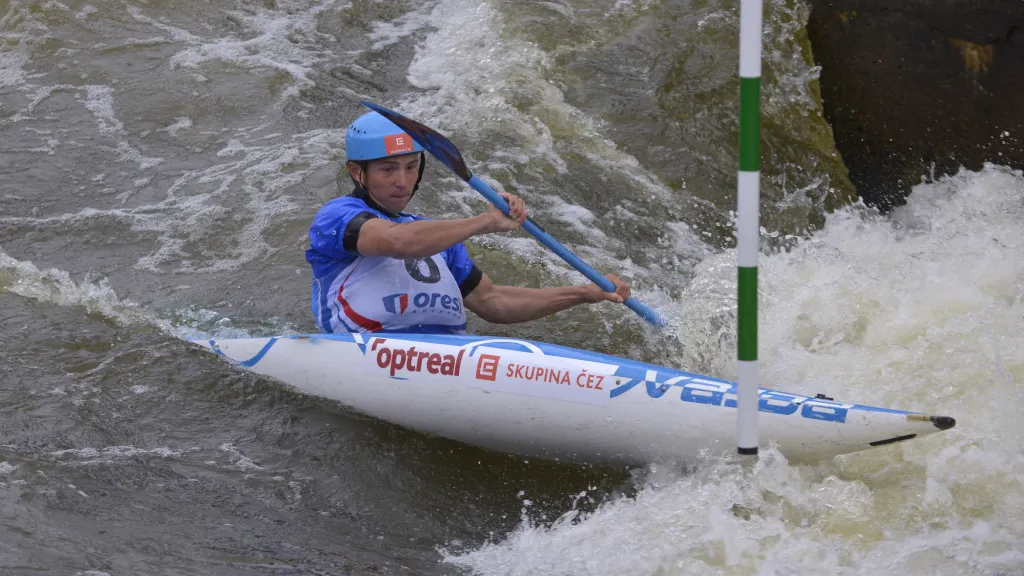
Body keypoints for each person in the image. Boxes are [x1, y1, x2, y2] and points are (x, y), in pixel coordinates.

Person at [305, 111, 631, 334]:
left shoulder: (439, 240)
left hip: (447, 360)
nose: (402, 181)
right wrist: (484, 222)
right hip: (365, 352)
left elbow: (494, 303)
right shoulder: (337, 216)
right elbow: (396, 242)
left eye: (410, 166)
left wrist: (585, 293)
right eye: (388, 169)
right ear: (355, 172)